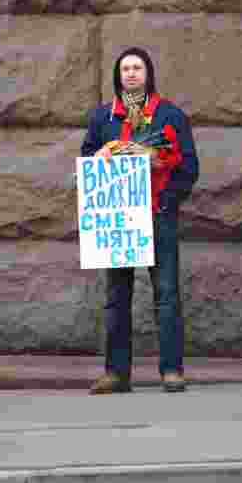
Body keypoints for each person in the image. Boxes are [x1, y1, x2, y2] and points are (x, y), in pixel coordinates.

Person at [80, 47, 200, 395]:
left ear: (148, 73)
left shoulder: (169, 115)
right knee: (117, 296)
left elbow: (189, 167)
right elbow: (88, 159)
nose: (131, 73)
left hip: (157, 216)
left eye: (137, 67)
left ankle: (172, 370)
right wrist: (99, 155)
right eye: (125, 68)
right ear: (118, 76)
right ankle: (116, 374)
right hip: (118, 220)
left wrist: (166, 201)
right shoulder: (103, 118)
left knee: (166, 295)